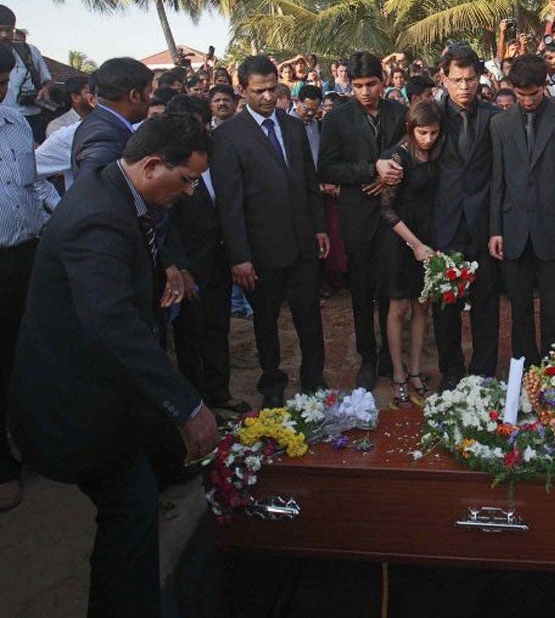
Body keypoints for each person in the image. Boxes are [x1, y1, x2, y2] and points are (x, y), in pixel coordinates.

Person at [8, 114, 219, 616]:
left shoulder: (117, 189)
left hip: (110, 394)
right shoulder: (97, 218)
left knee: (139, 494)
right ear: (150, 165)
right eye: (187, 180)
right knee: (130, 507)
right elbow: (111, 326)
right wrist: (189, 407)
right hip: (75, 402)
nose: (190, 192)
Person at [210, 55, 330, 407]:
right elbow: (229, 205)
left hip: (302, 245)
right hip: (260, 252)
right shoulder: (228, 136)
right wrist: (240, 256)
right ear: (242, 90)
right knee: (266, 324)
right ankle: (272, 385)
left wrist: (319, 227)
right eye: (257, 91)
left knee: (310, 317)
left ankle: (314, 378)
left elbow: (309, 183)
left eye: (271, 89)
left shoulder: (293, 128)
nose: (266, 97)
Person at [318, 51, 406, 390]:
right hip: (356, 214)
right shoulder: (337, 119)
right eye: (358, 86)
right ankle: (367, 356)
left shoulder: (400, 113)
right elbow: (326, 168)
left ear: (383, 82)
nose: (366, 92)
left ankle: (390, 352)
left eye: (371, 84)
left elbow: (413, 152)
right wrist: (371, 171)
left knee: (391, 287)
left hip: (395, 214)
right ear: (349, 84)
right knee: (361, 289)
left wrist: (390, 174)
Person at [490, 54, 555, 366]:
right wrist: (496, 230)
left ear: (545, 86)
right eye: (520, 94)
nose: (526, 100)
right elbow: (497, 180)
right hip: (513, 230)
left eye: (533, 93)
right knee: (519, 311)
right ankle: (524, 373)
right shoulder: (499, 123)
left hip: (553, 231)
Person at [0, 43, 59, 512]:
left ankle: (34, 443)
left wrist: (65, 219)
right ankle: (2, 465)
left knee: (30, 353)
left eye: (3, 84)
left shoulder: (18, 123)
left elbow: (34, 183)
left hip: (28, 255)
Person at [422, 45, 501, 389]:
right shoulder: (430, 117)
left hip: (484, 224)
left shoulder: (495, 117)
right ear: (444, 78)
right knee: (446, 307)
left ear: (480, 77)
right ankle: (451, 370)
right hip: (444, 223)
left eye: (470, 79)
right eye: (457, 80)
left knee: (486, 304)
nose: (464, 87)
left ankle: (484, 371)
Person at [165, 96, 249, 416]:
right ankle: (195, 402)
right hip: (189, 267)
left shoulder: (218, 155)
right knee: (189, 336)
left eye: (202, 123)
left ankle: (219, 391)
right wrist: (179, 267)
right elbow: (165, 226)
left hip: (220, 260)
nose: (200, 130)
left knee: (219, 327)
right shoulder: (170, 169)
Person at [378, 101, 444, 405]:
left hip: (429, 237)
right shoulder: (397, 157)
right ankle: (398, 373)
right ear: (410, 129)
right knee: (399, 308)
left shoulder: (436, 153)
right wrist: (415, 244)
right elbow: (386, 210)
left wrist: (427, 244)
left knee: (422, 306)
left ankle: (416, 370)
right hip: (400, 239)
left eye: (433, 132)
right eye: (422, 133)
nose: (428, 138)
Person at [72, 58, 152, 177]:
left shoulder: (103, 123)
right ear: (134, 96)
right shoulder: (103, 137)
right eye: (149, 92)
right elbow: (93, 191)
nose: (151, 99)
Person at [0, 5, 54, 143]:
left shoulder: (29, 52)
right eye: (0, 30)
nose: (4, 35)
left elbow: (48, 80)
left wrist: (45, 89)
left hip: (29, 119)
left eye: (8, 30)